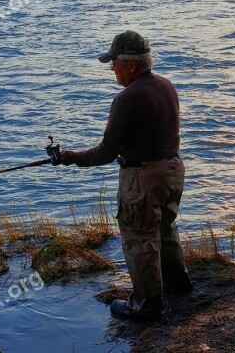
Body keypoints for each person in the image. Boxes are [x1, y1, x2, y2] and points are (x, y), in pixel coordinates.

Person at [60, 30, 192, 322]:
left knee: (139, 240)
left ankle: (146, 307)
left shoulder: (127, 98)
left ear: (130, 64)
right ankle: (179, 283)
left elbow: (106, 152)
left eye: (114, 64)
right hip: (172, 170)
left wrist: (71, 159)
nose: (112, 70)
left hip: (143, 178)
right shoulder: (166, 86)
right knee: (165, 229)